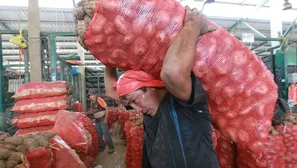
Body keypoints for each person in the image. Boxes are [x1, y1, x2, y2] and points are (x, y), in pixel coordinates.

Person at [104, 7, 219, 167]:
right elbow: (111, 90)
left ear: (150, 86)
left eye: (135, 100)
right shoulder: (149, 109)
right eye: (131, 104)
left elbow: (171, 72)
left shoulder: (182, 100)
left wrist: (193, 25)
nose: (136, 110)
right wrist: (106, 55)